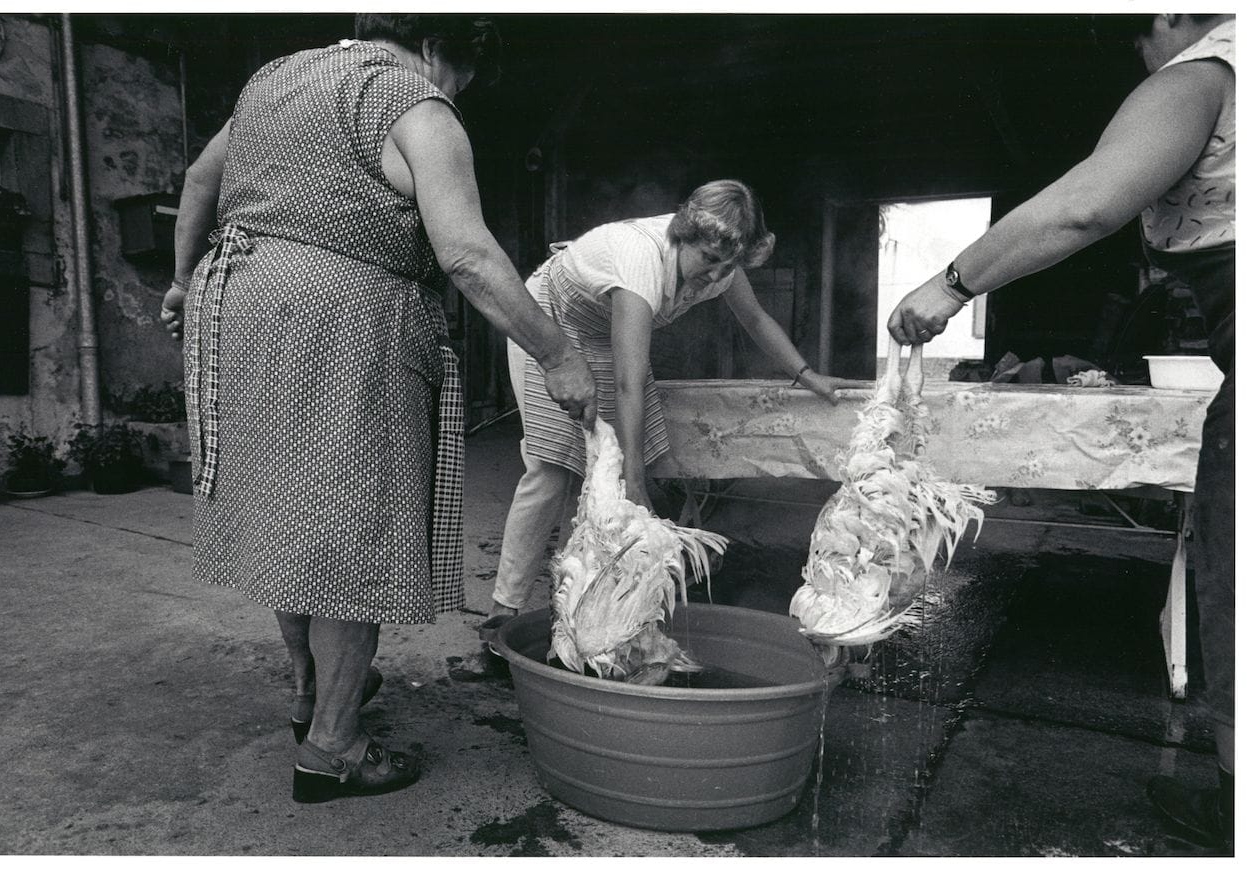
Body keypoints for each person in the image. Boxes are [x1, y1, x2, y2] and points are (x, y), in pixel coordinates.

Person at [158, 13, 596, 803]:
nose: (455, 92)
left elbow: (198, 181)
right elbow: (465, 252)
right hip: (343, 320)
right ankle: (333, 749)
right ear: (442, 49)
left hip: (240, 308)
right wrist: (556, 350)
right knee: (355, 533)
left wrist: (185, 282)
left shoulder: (275, 81)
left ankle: (310, 694)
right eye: (460, 75)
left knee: (290, 516)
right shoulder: (416, 104)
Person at [887, 14, 1234, 851]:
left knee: (1237, 578)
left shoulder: (1205, 71)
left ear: (1166, 16)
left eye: (1139, 42)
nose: (1145, 61)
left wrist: (949, 285)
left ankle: (1237, 804)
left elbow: (1082, 208)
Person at [481, 180, 861, 637]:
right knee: (553, 468)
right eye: (708, 260)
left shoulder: (722, 261)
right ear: (682, 237)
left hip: (605, 332)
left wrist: (805, 374)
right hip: (549, 319)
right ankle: (505, 608)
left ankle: (573, 604)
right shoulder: (640, 259)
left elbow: (756, 318)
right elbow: (627, 383)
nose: (716, 274)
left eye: (728, 265)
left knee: (605, 471)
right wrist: (634, 482)